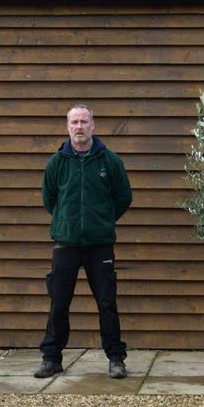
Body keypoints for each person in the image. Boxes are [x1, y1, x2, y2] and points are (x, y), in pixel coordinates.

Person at [34, 104, 132, 380]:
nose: (79, 126)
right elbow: (49, 199)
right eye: (74, 122)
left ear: (93, 125)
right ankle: (51, 358)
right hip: (65, 244)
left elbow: (123, 197)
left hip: (99, 244)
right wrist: (66, 222)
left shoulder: (110, 162)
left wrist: (103, 220)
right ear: (68, 127)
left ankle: (116, 359)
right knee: (59, 303)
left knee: (106, 303)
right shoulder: (57, 163)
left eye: (84, 121)